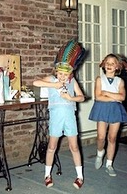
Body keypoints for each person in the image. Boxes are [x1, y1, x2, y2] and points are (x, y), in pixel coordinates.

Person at [33, 40, 86, 190]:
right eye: (60, 73)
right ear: (56, 71)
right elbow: (36, 82)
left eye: (66, 74)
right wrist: (53, 85)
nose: (62, 76)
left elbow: (82, 97)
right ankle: (47, 175)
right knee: (51, 146)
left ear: (71, 73)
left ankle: (80, 176)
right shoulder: (52, 80)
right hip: (56, 118)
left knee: (74, 147)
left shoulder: (72, 81)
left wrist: (71, 98)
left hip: (70, 117)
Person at [89, 53, 127, 177]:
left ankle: (109, 164)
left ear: (117, 67)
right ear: (103, 65)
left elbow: (122, 97)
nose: (109, 65)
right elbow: (98, 97)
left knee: (112, 138)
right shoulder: (99, 79)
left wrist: (106, 93)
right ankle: (100, 153)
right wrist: (114, 97)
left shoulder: (120, 81)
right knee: (101, 137)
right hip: (101, 109)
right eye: (107, 63)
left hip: (115, 110)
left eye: (112, 63)